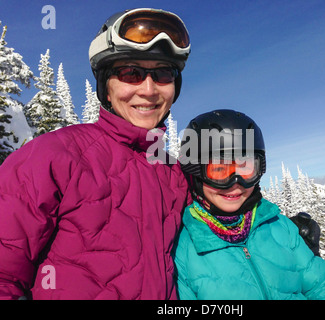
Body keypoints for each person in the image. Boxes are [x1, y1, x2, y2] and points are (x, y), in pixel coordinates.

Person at [0, 8, 191, 300]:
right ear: (106, 86)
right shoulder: (55, 155)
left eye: (163, 74)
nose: (149, 89)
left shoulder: (175, 175)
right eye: (131, 73)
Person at [174, 109, 325, 300]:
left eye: (245, 168)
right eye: (219, 170)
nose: (235, 183)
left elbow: (322, 286)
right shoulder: (183, 250)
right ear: (196, 173)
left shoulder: (279, 225)